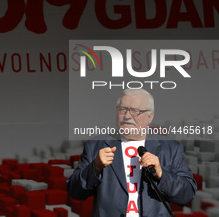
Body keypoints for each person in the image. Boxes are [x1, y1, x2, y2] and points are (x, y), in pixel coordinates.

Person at [66, 88, 197, 217]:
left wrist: (162, 175)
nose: (127, 116)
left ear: (150, 116)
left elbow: (187, 194)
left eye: (135, 111)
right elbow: (75, 191)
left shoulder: (171, 148)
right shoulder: (95, 146)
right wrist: (95, 168)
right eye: (122, 109)